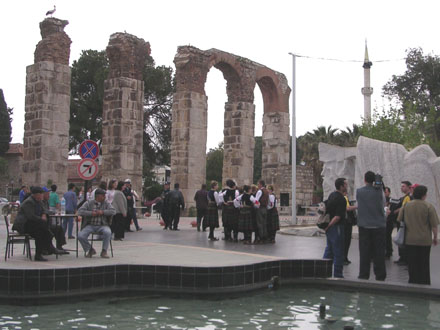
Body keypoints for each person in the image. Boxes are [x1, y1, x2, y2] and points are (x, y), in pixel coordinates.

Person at [397, 185, 439, 285]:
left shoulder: (406, 206)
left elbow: (399, 219)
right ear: (424, 195)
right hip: (424, 240)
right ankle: (424, 283)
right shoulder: (429, 206)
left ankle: (413, 282)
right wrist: (435, 237)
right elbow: (434, 225)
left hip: (410, 239)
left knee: (412, 264)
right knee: (424, 263)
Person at [12, 186, 63, 261]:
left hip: (33, 225)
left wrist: (44, 214)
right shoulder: (29, 202)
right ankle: (46, 249)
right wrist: (41, 219)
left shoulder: (39, 201)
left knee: (42, 231)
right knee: (42, 230)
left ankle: (44, 251)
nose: (43, 195)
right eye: (42, 194)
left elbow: (45, 210)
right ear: (36, 194)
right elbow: (30, 216)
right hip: (24, 226)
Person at [356, 171, 386, 281]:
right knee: (379, 252)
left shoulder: (359, 192)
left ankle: (363, 274)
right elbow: (383, 203)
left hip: (364, 225)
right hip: (378, 226)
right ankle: (380, 275)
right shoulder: (379, 192)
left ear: (364, 179)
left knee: (364, 252)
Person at [77, 188, 116, 258]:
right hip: (90, 225)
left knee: (108, 232)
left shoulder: (106, 203)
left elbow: (113, 211)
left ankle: (104, 251)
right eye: (103, 195)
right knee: (80, 235)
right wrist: (91, 213)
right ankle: (90, 249)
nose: (105, 197)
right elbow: (80, 211)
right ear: (98, 196)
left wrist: (103, 212)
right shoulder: (89, 203)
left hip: (103, 225)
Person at [323, 178, 347, 278]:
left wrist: (327, 226)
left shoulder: (332, 195)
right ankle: (338, 274)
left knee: (329, 250)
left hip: (330, 228)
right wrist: (329, 226)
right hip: (336, 227)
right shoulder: (341, 199)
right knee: (338, 252)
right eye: (346, 184)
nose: (347, 186)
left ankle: (323, 271)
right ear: (341, 186)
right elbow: (337, 217)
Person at [41, 187, 69, 254]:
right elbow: (44, 211)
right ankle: (46, 248)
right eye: (47, 194)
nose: (49, 195)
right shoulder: (41, 202)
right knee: (50, 230)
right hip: (43, 224)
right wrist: (53, 213)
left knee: (59, 228)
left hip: (47, 223)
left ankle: (59, 246)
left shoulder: (46, 202)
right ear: (43, 194)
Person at [393, 181, 413, 265]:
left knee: (402, 239)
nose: (402, 188)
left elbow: (404, 208)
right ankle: (402, 257)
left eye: (403, 186)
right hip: (402, 221)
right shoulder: (404, 197)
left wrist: (394, 211)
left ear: (409, 187)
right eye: (401, 186)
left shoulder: (408, 197)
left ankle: (404, 258)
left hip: (403, 222)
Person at [343, 191, 357, 265]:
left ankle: (345, 257)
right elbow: (348, 208)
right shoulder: (344, 198)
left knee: (346, 241)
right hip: (347, 222)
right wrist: (356, 206)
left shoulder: (344, 197)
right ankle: (344, 258)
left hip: (347, 222)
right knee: (346, 240)